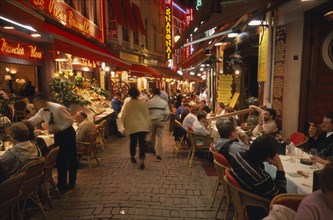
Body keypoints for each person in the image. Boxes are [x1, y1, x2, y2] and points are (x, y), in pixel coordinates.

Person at [229, 135, 286, 219]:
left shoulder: (238, 155)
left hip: (243, 197)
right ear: (268, 157)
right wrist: (280, 167)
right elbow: (280, 198)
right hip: (258, 208)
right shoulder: (260, 178)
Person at [28, 93, 77, 192]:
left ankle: (72, 183)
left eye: (37, 102)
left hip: (67, 133)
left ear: (44, 100)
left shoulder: (58, 108)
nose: (36, 105)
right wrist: (21, 124)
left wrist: (59, 128)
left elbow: (70, 120)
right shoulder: (42, 111)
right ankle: (61, 184)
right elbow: (34, 120)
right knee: (60, 159)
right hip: (57, 134)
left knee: (71, 158)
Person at [121, 87, 151, 170]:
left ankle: (133, 155)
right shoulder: (142, 103)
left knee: (133, 142)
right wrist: (149, 125)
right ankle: (142, 161)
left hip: (132, 126)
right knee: (142, 144)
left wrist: (124, 126)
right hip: (143, 126)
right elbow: (147, 115)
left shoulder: (128, 104)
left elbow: (123, 116)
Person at [146, 88, 170, 161]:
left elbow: (145, 112)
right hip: (160, 121)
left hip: (151, 121)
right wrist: (164, 119)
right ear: (160, 94)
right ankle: (159, 154)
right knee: (160, 137)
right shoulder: (163, 102)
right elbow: (167, 113)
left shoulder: (149, 102)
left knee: (152, 136)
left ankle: (152, 149)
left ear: (153, 94)